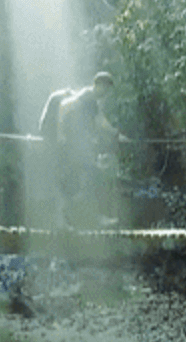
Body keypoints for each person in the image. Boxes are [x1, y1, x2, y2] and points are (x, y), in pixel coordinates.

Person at [39, 72, 124, 227]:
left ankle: (70, 220)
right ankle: (93, 217)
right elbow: (65, 106)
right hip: (59, 140)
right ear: (99, 85)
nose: (106, 93)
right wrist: (60, 134)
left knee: (76, 178)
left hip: (68, 142)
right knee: (87, 174)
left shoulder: (92, 101)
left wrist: (117, 134)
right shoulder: (86, 95)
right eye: (106, 88)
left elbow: (100, 121)